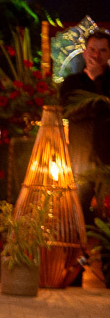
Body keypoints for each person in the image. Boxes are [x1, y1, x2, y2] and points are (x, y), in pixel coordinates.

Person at [59, 29, 110, 225]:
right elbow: (69, 111)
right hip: (81, 158)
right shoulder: (72, 83)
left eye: (103, 50)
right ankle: (80, 253)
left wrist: (98, 81)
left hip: (107, 158)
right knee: (78, 210)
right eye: (92, 50)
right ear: (85, 51)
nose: (96, 55)